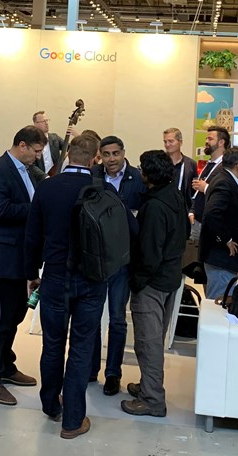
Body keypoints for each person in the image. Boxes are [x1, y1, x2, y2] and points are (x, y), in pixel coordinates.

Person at [24, 134, 110, 438]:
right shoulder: (103, 189)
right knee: (82, 348)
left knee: (52, 344)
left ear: (69, 154)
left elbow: (33, 236)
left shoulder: (47, 188)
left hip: (56, 277)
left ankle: (51, 404)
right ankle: (73, 420)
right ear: (94, 158)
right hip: (91, 280)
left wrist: (32, 273)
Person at [0, 125, 46, 406]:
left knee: (16, 315)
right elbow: (0, 210)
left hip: (20, 256)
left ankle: (6, 365)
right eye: (36, 151)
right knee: (0, 319)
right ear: (22, 145)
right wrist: (39, 208)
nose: (38, 157)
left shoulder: (26, 171)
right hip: (3, 257)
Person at [122, 150, 189, 418]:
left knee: (147, 342)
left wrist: (137, 280)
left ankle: (152, 399)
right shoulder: (175, 195)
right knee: (155, 339)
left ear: (147, 174)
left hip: (152, 281)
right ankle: (148, 386)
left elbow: (149, 251)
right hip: (170, 276)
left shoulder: (154, 207)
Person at [90, 135, 144, 395]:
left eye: (116, 153)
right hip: (96, 260)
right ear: (100, 155)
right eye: (107, 154)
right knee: (91, 315)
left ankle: (113, 373)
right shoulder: (93, 177)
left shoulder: (137, 179)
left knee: (117, 319)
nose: (111, 159)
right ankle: (90, 367)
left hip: (123, 261)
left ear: (123, 153)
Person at [199, 147, 238, 300]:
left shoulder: (225, 180)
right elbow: (212, 213)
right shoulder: (224, 182)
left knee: (223, 298)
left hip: (223, 259)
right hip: (221, 257)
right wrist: (227, 239)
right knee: (219, 301)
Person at [190, 126, 229, 240]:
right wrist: (192, 211)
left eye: (210, 139)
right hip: (197, 220)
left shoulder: (226, 167)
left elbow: (225, 193)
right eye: (206, 139)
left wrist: (206, 187)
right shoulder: (208, 164)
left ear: (221, 142)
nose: (206, 142)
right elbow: (198, 191)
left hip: (212, 223)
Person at [163, 127, 197, 212]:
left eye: (171, 141)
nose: (167, 145)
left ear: (180, 142)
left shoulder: (190, 164)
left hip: (183, 211)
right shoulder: (160, 162)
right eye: (165, 141)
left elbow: (194, 191)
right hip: (163, 209)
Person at [31, 111, 67, 176]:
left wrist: (77, 137)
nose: (46, 123)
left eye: (47, 120)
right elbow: (31, 165)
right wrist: (45, 176)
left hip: (56, 176)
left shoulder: (55, 138)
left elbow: (70, 148)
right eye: (43, 121)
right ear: (35, 124)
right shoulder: (31, 141)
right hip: (39, 179)